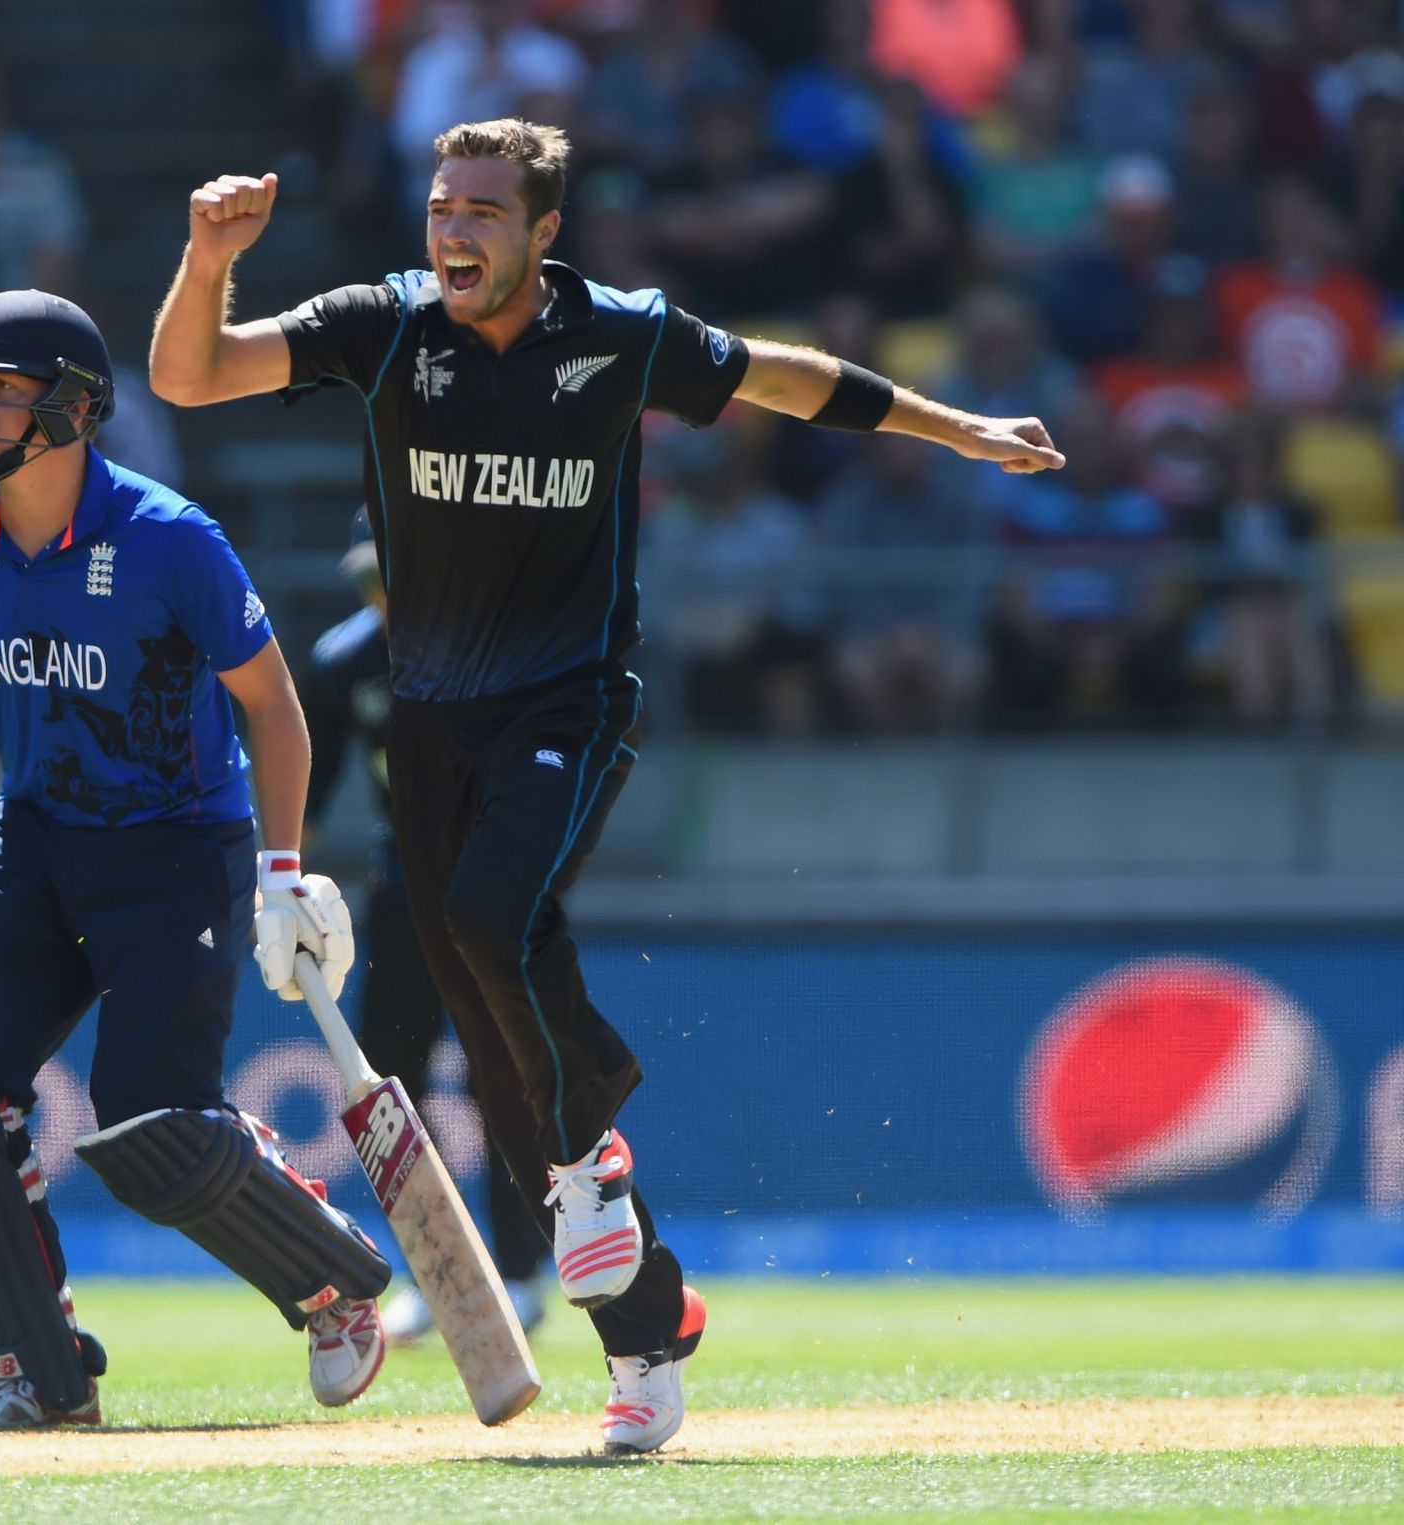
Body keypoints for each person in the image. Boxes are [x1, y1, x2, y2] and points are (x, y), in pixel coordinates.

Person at [147, 118, 1064, 1454]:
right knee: (507, 1060)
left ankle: (592, 1173)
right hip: (434, 722)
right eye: (441, 205)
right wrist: (206, 255)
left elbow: (789, 380)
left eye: (482, 210)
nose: (451, 229)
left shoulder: (620, 335)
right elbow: (189, 375)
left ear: (544, 232)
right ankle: (651, 1334)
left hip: (569, 703)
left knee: (484, 920)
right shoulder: (387, 325)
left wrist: (962, 428)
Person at [0, 289, 387, 1429]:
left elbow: (275, 710)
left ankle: (334, 1286)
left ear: (71, 408)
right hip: (37, 840)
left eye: (1, 391)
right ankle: (40, 1367)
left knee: (152, 1121)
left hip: (180, 848)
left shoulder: (172, 536)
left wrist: (280, 872)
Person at [301, 509, 549, 1344]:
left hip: (489, 884)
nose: (382, 599)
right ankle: (442, 1274)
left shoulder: (487, 649)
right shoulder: (345, 662)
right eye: (371, 581)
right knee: (389, 1089)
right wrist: (285, 891)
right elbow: (310, 789)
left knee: (501, 1073)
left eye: (394, 579)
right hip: (404, 887)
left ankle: (521, 1273)